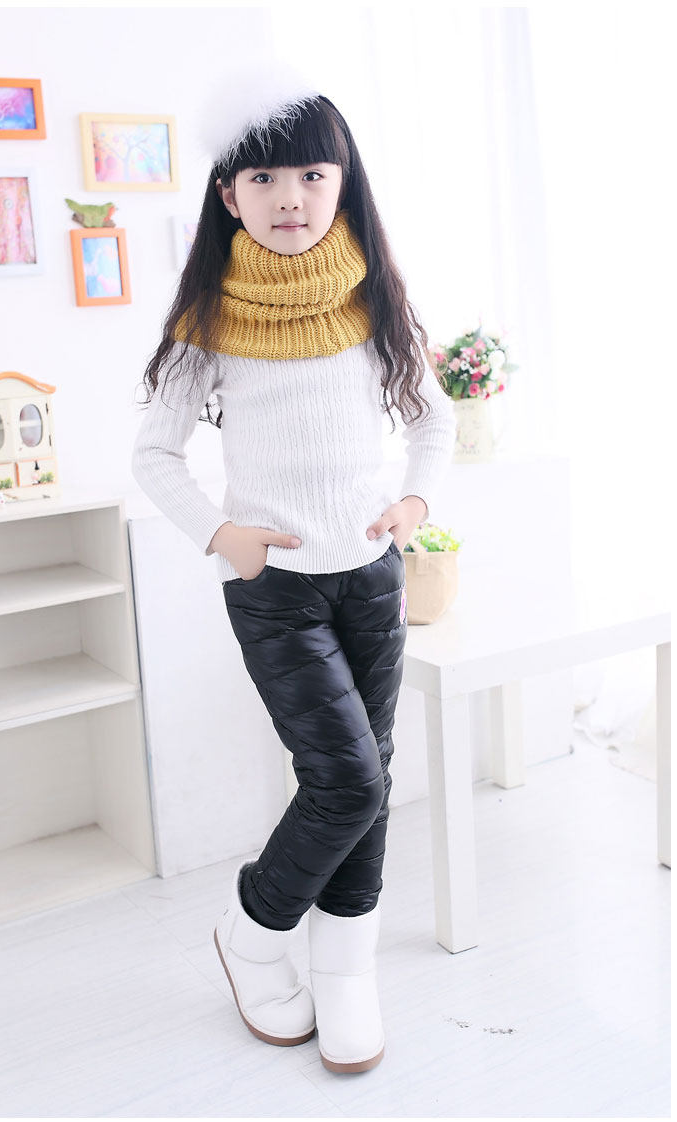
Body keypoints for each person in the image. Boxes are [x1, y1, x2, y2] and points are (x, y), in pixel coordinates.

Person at [131, 68, 457, 1074]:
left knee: (372, 775)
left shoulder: (374, 302)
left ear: (342, 182)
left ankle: (346, 971)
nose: (290, 198)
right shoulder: (209, 323)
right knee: (347, 779)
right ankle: (252, 931)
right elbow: (155, 454)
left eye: (313, 175)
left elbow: (433, 421)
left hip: (371, 576)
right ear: (228, 194)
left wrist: (413, 504)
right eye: (265, 178)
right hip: (277, 594)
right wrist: (220, 534)